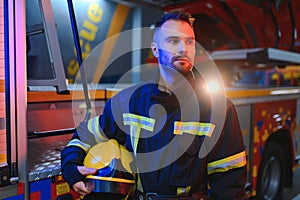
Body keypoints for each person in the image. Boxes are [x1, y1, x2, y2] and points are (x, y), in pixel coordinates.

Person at [61, 11, 247, 200]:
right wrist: (71, 169)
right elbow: (84, 137)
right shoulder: (130, 102)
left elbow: (229, 185)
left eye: (189, 41)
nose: (183, 48)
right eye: (173, 41)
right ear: (155, 50)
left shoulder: (218, 110)